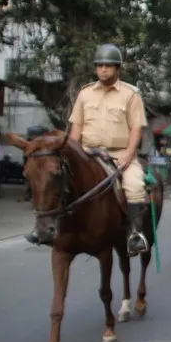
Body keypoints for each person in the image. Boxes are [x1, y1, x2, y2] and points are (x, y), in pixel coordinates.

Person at [65, 43, 149, 256]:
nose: (103, 69)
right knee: (60, 179)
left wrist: (129, 155)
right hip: (87, 151)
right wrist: (71, 154)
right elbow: (76, 128)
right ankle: (51, 229)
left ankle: (135, 235)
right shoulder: (85, 94)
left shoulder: (130, 95)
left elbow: (136, 129)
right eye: (100, 65)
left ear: (117, 69)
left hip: (119, 152)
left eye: (108, 66)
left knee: (135, 184)